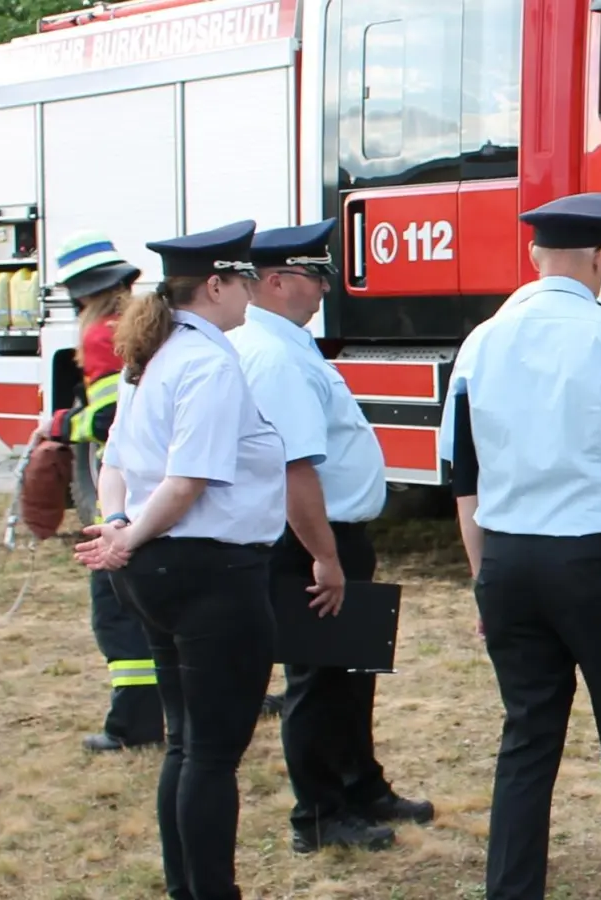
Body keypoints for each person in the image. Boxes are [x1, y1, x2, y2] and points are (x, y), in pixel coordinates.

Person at [439, 192, 601, 899]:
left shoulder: (482, 342)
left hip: (510, 562)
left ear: (534, 255)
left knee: (525, 742)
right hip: (597, 561)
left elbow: (465, 481)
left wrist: (482, 582)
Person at [73, 219, 285, 900]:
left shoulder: (152, 357)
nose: (251, 294)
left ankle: (185, 888)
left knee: (186, 745)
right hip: (209, 573)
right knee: (213, 755)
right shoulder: (206, 361)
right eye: (245, 280)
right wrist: (126, 536)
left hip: (158, 571)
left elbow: (115, 468)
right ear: (216, 284)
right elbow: (187, 480)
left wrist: (117, 527)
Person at [228, 219, 433, 854]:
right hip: (313, 541)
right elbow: (294, 470)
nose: (324, 288)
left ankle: (359, 785)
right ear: (275, 280)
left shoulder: (287, 344)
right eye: (315, 275)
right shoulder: (273, 355)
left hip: (334, 535)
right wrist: (324, 556)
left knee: (352, 669)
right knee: (318, 678)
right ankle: (318, 814)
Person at [44, 229, 165, 753]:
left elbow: (111, 416)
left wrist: (60, 424)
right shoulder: (145, 321)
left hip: (122, 494)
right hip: (158, 487)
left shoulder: (99, 334)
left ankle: (132, 725)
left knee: (115, 609)